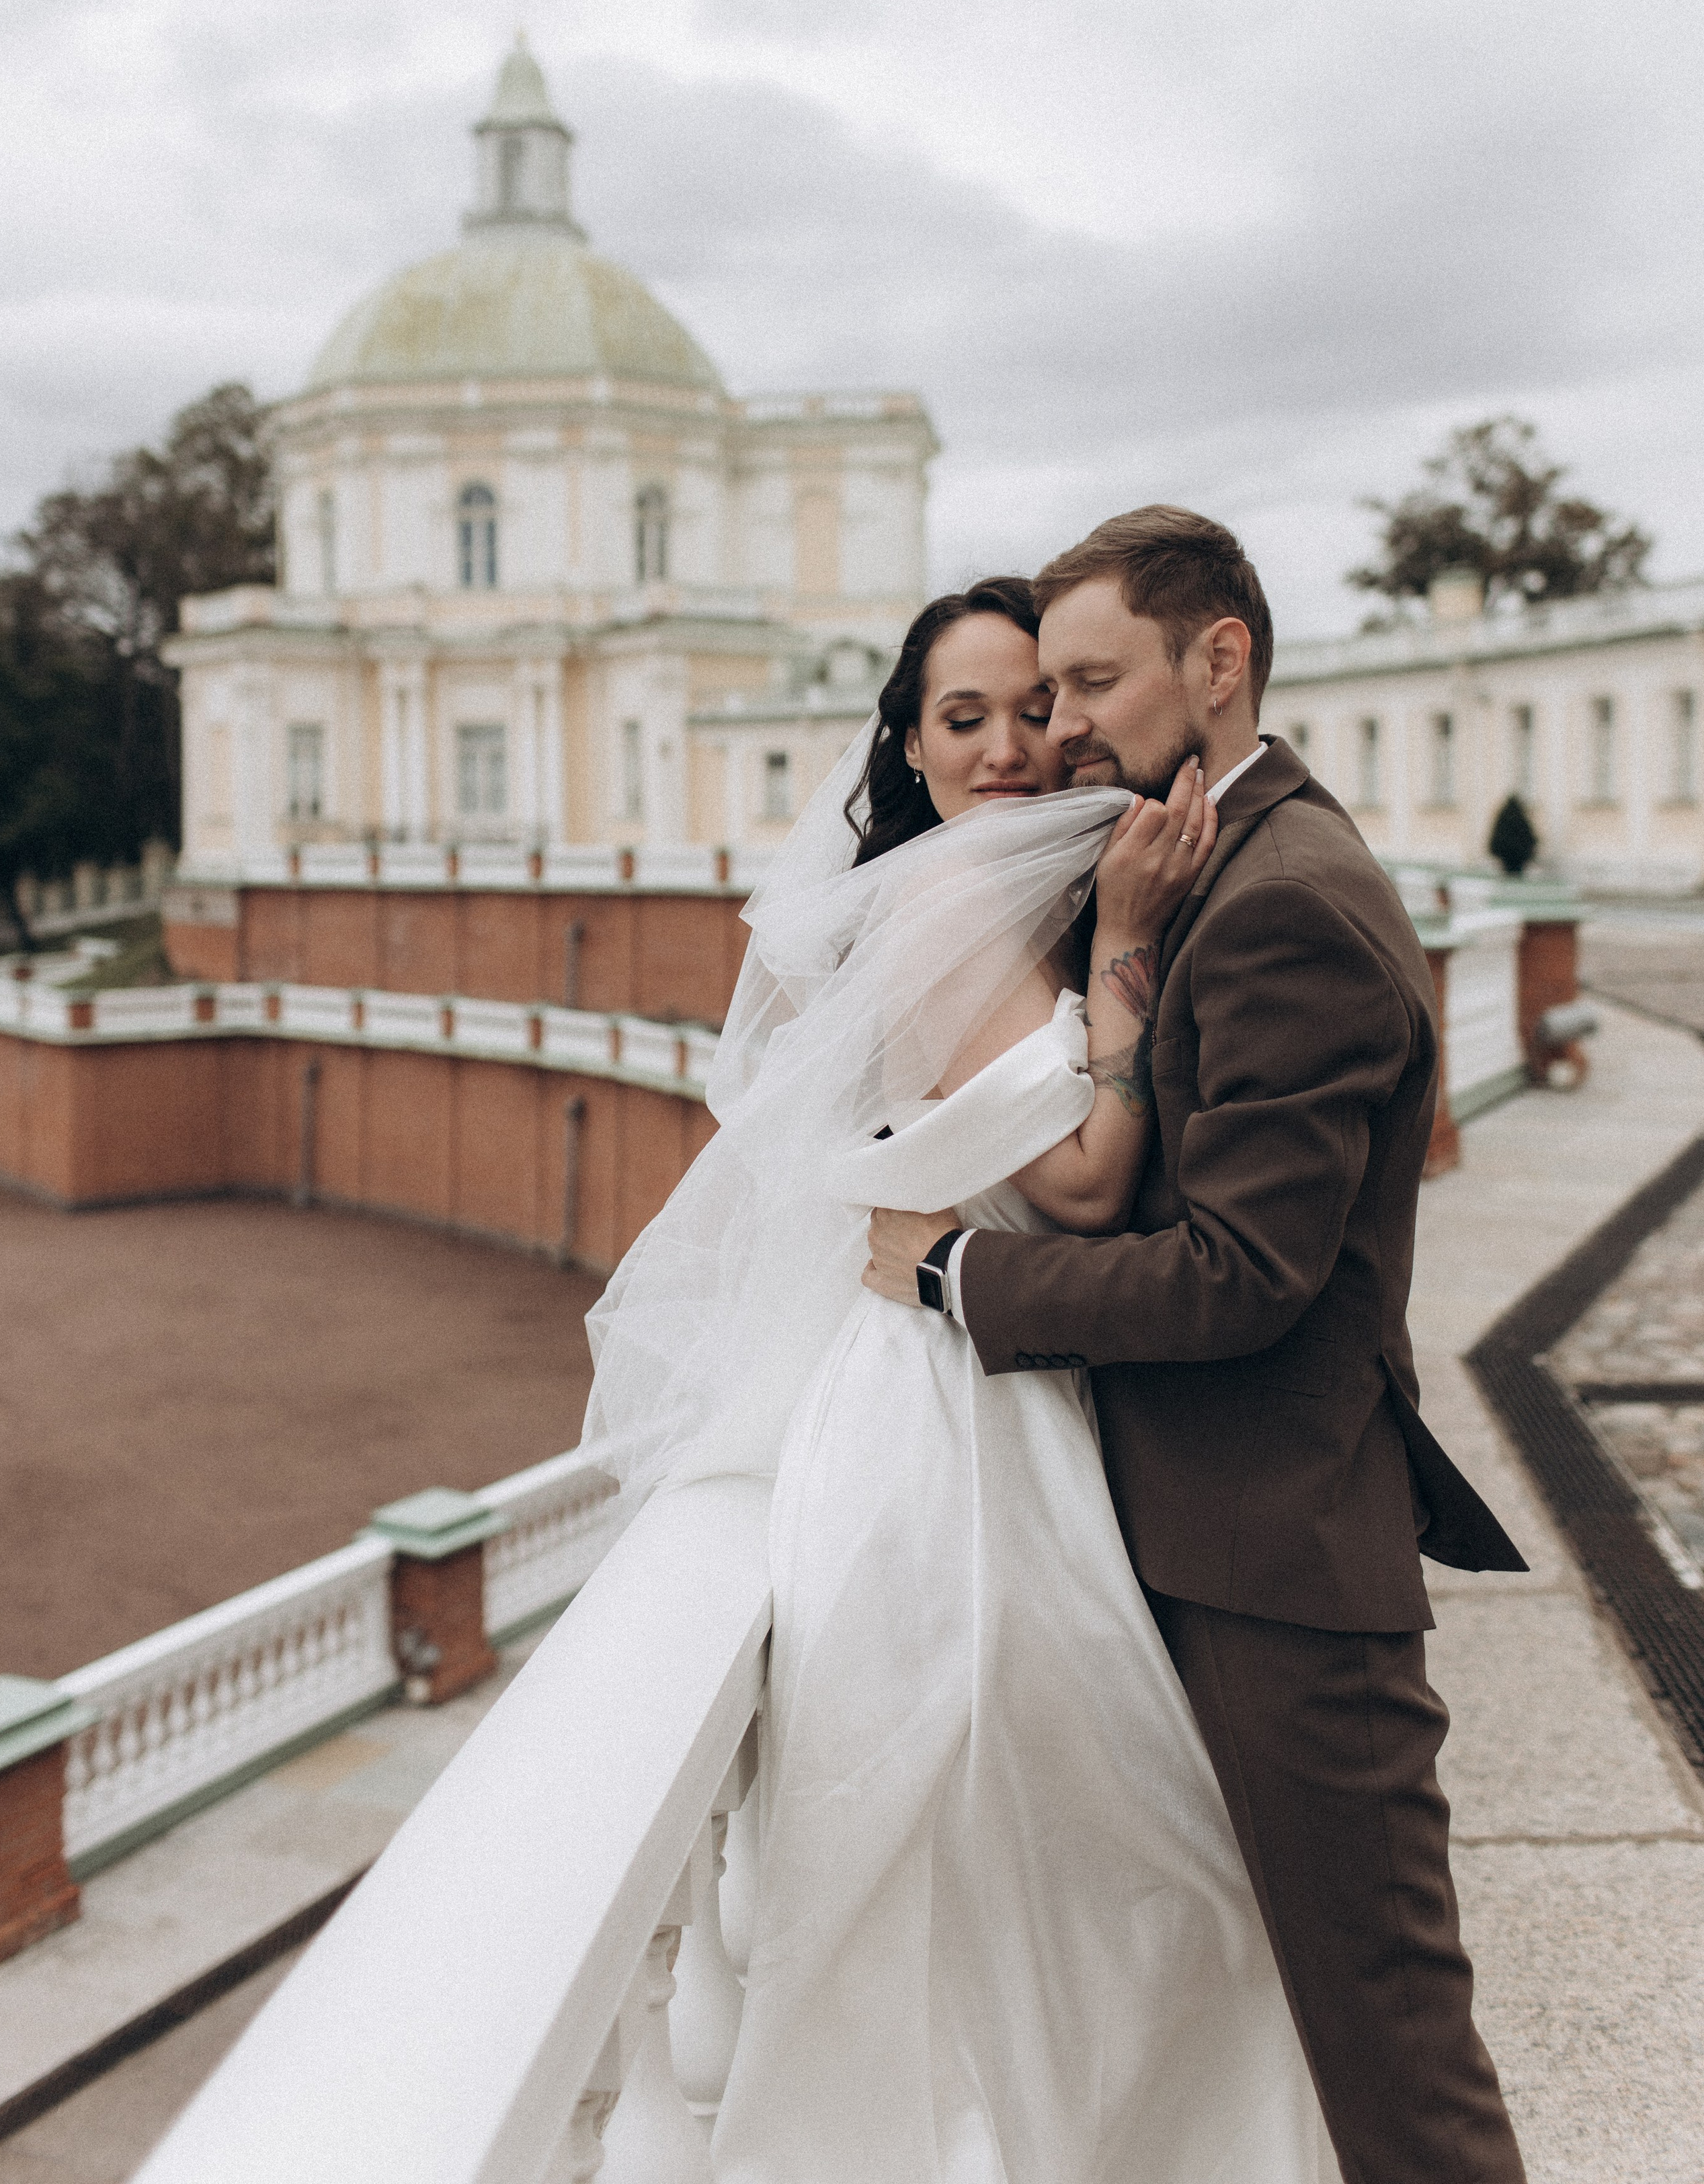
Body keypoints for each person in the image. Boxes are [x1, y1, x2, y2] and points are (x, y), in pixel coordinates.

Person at [587, 575, 1340, 2182]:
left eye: (1041, 708)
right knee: (1113, 1862)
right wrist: (1130, 947)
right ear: (909, 747)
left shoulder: (1017, 888)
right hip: (951, 1425)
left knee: (1057, 1877)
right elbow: (1072, 1186)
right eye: (966, 717)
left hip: (1002, 1384)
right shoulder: (948, 905)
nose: (1017, 745)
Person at [867, 509, 1529, 2184]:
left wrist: (956, 1280)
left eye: (1089, 681)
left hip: (1274, 1557)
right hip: (1185, 1526)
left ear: (1216, 661)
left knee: (1389, 2050)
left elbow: (1242, 1275)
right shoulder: (1197, 867)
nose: (1060, 722)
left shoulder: (1282, 898)